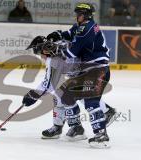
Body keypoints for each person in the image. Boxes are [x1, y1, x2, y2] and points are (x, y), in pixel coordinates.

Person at [42, 3, 112, 148]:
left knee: (91, 100)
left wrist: (54, 49)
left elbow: (71, 53)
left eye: (79, 14)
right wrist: (58, 34)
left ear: (85, 15)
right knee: (65, 93)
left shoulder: (87, 29)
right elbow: (69, 33)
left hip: (97, 70)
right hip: (88, 70)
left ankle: (102, 135)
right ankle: (77, 129)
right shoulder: (82, 26)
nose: (76, 16)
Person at [23, 36, 116, 141]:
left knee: (67, 95)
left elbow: (49, 85)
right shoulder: (60, 44)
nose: (40, 56)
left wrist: (33, 95)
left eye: (38, 52)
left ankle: (75, 128)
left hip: (90, 73)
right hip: (90, 71)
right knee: (65, 95)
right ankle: (102, 113)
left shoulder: (52, 59)